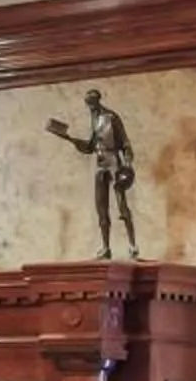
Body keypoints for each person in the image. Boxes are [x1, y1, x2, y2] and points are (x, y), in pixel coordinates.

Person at [47, 88, 140, 258]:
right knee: (101, 207)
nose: (89, 107)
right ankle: (106, 248)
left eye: (91, 103)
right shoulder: (94, 118)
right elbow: (91, 146)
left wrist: (127, 165)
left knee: (122, 205)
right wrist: (70, 139)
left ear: (97, 100)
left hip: (114, 163)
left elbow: (125, 143)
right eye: (87, 104)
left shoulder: (112, 117)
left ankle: (133, 245)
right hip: (100, 164)